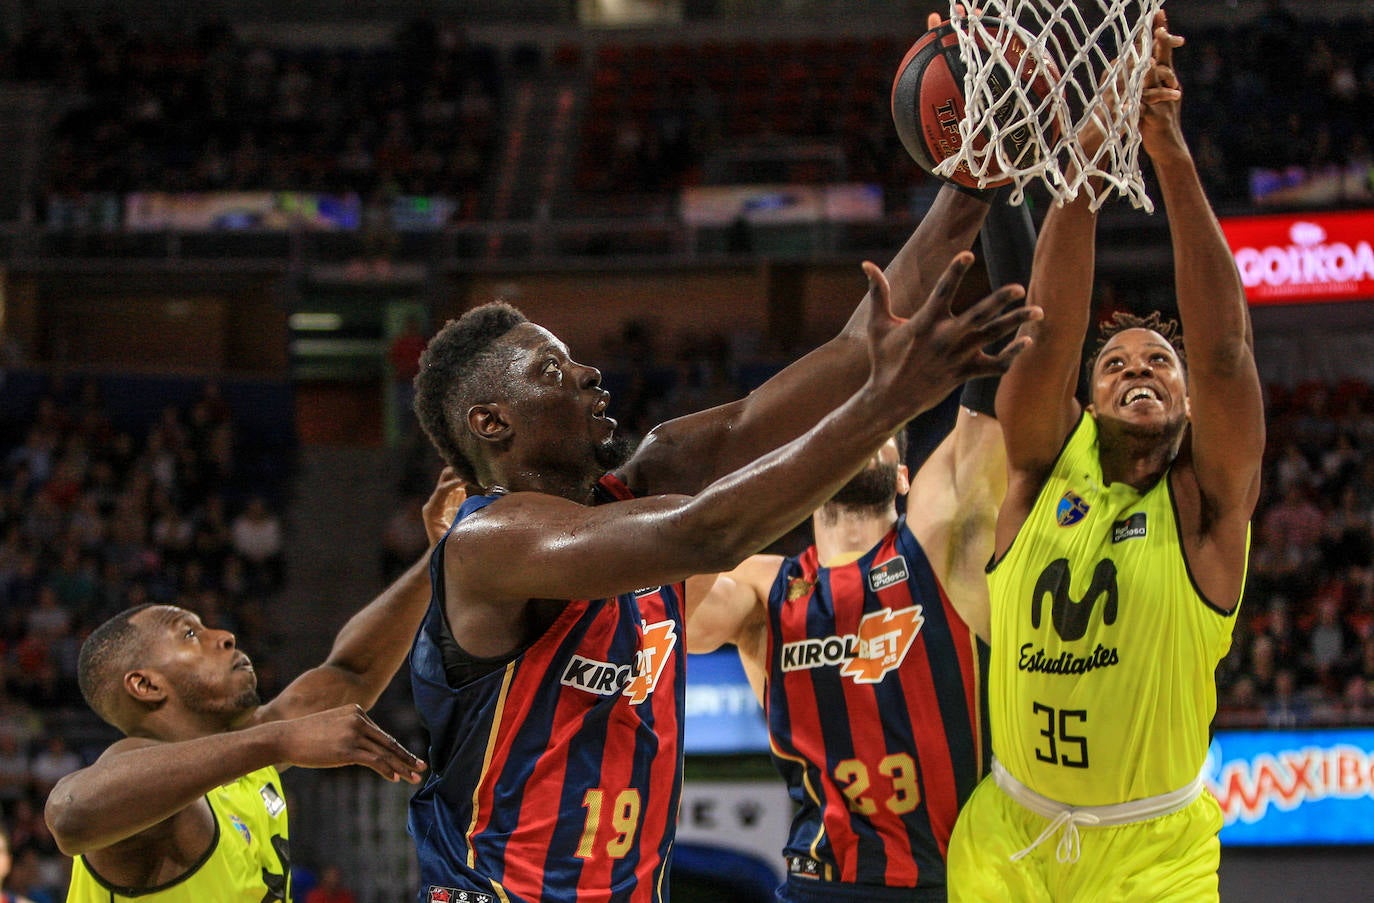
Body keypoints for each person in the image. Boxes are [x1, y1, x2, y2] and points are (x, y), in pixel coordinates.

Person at [407, 184, 1041, 898]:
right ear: (492, 423)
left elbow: (854, 350)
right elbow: (711, 531)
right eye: (552, 371)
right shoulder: (491, 540)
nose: (587, 373)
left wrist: (972, 185)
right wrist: (889, 403)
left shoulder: (645, 483)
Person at [946, 14, 1265, 902]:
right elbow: (1045, 336)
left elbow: (1228, 352)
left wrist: (1169, 154)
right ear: (1086, 402)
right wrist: (1083, 168)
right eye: (1115, 363)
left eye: (1158, 364)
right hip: (1008, 835)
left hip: (1152, 854)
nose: (1137, 370)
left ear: (1188, 399)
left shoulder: (1208, 503)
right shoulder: (1041, 468)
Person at [685, 197, 1037, 902]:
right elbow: (676, 605)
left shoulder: (942, 540)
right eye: (838, 426)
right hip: (826, 883)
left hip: (958, 882)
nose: (857, 430)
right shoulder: (763, 588)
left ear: (906, 473)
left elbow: (1027, 341)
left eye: (874, 422)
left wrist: (1001, 185)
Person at [44, 469, 467, 901]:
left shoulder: (247, 752)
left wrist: (438, 555)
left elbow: (351, 672)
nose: (224, 636)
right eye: (189, 634)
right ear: (145, 685)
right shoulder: (152, 780)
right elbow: (70, 815)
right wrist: (278, 740)